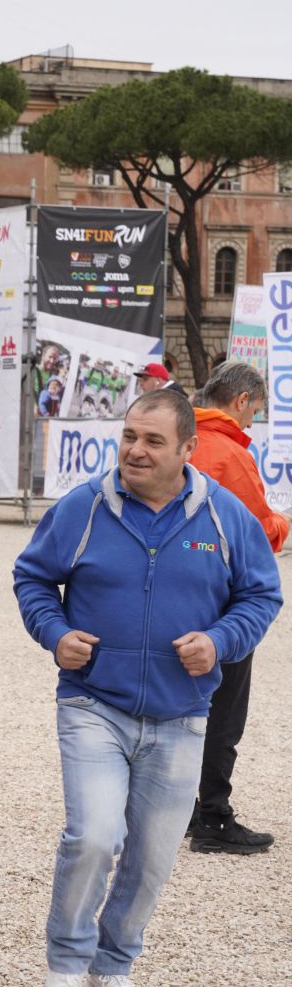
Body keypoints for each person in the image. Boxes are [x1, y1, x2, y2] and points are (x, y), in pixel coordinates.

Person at [13, 389, 281, 987]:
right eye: (129, 435)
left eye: (153, 440)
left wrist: (220, 640)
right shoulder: (83, 507)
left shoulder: (225, 516)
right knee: (94, 836)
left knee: (154, 854)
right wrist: (55, 633)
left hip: (183, 714)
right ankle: (65, 969)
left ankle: (112, 968)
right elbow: (32, 578)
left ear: (188, 449)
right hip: (94, 705)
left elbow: (261, 595)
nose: (135, 450)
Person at [188, 361, 288, 853]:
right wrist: (284, 523)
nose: (253, 421)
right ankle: (213, 814)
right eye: (255, 411)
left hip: (175, 590)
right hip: (222, 600)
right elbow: (259, 531)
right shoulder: (230, 452)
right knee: (225, 710)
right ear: (241, 400)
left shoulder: (180, 439)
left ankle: (174, 805)